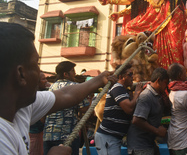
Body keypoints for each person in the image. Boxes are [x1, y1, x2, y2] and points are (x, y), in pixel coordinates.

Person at [0, 22, 116, 155]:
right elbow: (79, 104)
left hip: (49, 136)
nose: (40, 74)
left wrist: (100, 79)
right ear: (21, 74)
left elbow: (66, 95)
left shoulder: (21, 106)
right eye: (35, 64)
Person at [43, 61, 90, 155]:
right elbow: (84, 108)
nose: (75, 73)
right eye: (73, 71)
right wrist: (90, 96)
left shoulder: (51, 87)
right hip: (68, 136)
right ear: (65, 74)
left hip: (49, 135)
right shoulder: (75, 87)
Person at [95, 64, 142, 155]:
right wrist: (137, 94)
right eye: (130, 74)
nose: (132, 77)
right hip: (107, 137)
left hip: (112, 138)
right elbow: (129, 109)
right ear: (121, 77)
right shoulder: (118, 88)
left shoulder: (123, 90)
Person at [127, 68, 169, 155]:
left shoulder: (158, 96)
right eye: (165, 83)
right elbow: (137, 120)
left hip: (149, 144)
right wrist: (157, 131)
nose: (166, 86)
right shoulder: (146, 96)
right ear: (158, 81)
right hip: (140, 147)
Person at [29, 71, 50, 155]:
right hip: (36, 134)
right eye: (43, 79)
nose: (46, 81)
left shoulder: (30, 95)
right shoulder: (37, 97)